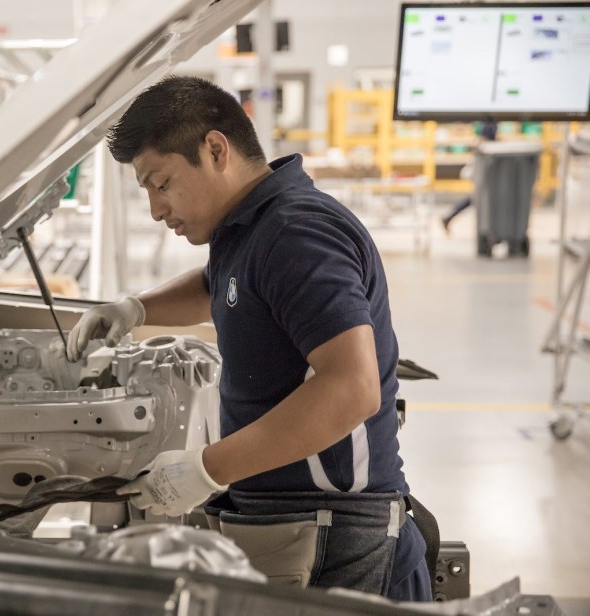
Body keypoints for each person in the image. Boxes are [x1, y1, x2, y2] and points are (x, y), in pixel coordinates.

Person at [66, 76, 431, 601]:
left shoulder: (297, 234)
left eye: (161, 183)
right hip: (294, 523)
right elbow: (222, 283)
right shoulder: (251, 226)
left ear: (215, 149)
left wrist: (206, 469)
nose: (155, 209)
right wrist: (137, 308)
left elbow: (353, 388)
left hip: (337, 539)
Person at [441, 121, 498, 233]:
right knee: (477, 199)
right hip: (486, 176)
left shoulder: (483, 142)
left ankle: (449, 217)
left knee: (476, 199)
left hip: (487, 177)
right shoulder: (486, 142)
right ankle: (488, 230)